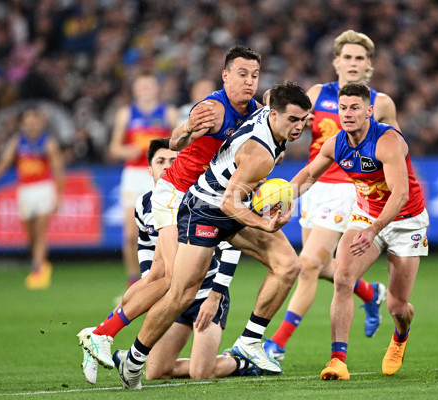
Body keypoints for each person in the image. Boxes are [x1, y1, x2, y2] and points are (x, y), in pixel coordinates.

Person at [112, 81, 311, 390]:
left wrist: (286, 91)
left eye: (303, 120)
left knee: (288, 265)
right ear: (273, 115)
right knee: (182, 293)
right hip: (204, 208)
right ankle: (134, 359)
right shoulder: (260, 154)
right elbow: (228, 203)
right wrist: (264, 224)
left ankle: (249, 341)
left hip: (232, 204)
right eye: (292, 120)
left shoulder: (273, 109)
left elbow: (273, 94)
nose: (299, 127)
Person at [78, 45, 261, 375]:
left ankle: (102, 335)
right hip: (176, 194)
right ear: (225, 76)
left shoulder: (256, 112)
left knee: (162, 277)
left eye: (255, 75)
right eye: (242, 74)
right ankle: (104, 336)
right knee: (173, 281)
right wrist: (188, 129)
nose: (249, 81)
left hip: (197, 199)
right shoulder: (213, 107)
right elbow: (176, 141)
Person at [79, 138, 255, 384]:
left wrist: (216, 296)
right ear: (149, 169)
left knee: (200, 372)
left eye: (173, 160)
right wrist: (150, 292)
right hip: (176, 298)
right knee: (155, 371)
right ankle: (101, 333)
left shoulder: (199, 198)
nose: (167, 166)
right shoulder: (145, 205)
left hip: (205, 293)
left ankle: (241, 360)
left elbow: (229, 247)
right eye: (160, 161)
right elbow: (147, 253)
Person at [264, 30, 395, 361]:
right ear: (336, 61)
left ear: (369, 66)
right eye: (347, 57)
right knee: (320, 264)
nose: (353, 63)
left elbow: (396, 148)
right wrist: (276, 147)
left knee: (307, 264)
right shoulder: (318, 94)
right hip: (314, 186)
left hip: (350, 189)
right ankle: (370, 292)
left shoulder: (380, 104)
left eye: (359, 58)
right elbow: (293, 129)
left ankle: (275, 344)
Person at [290, 83, 428, 380]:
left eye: (355, 108)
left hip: (406, 221)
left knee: (397, 305)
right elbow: (309, 174)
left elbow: (401, 194)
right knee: (342, 278)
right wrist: (284, 200)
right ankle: (338, 360)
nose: (348, 114)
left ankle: (400, 336)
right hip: (366, 216)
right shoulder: (336, 143)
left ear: (368, 111)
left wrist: (376, 228)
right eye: (343, 108)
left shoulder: (387, 141)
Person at [0, 107, 65, 290]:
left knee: (41, 230)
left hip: (43, 188)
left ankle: (37, 269)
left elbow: (58, 170)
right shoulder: (17, 143)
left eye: (34, 122)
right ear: (22, 124)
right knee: (31, 234)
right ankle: (41, 263)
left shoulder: (48, 143)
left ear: (40, 123)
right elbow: (3, 164)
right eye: (27, 122)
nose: (31, 125)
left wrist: (59, 194)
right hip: (25, 191)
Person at [109, 71, 178, 287]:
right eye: (142, 86)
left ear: (156, 89)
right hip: (134, 175)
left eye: (150, 85)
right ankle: (133, 279)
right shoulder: (126, 114)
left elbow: (180, 144)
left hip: (162, 175)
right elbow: (114, 148)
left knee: (164, 228)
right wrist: (127, 150)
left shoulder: (169, 113)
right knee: (131, 234)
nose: (147, 90)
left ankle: (165, 275)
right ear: (135, 90)